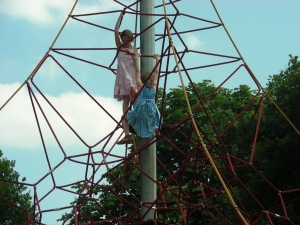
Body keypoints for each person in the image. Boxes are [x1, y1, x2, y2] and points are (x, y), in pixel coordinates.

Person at [125, 49, 162, 139]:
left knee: (124, 117)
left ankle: (130, 131)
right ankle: (156, 128)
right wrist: (157, 59)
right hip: (151, 111)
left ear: (142, 79)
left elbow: (137, 71)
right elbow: (156, 72)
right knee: (155, 117)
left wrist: (137, 58)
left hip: (141, 110)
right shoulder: (154, 86)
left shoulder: (140, 85)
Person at [114, 12, 137, 145]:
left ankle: (136, 126)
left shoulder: (134, 50)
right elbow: (115, 30)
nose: (125, 42)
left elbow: (137, 63)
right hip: (123, 77)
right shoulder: (120, 47)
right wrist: (121, 16)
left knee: (134, 101)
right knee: (126, 103)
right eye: (123, 40)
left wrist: (133, 55)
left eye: (127, 40)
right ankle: (127, 134)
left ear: (131, 39)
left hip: (132, 75)